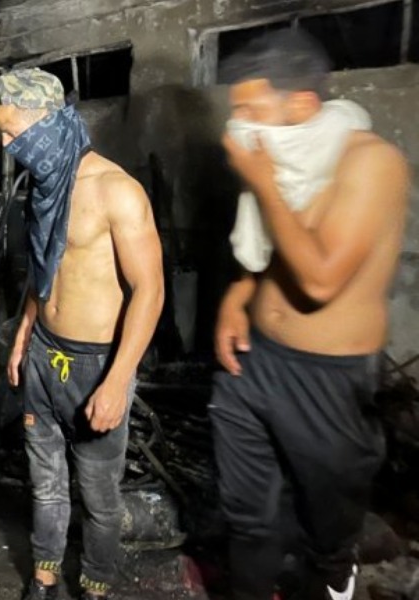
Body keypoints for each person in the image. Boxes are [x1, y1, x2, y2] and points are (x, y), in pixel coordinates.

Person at [211, 29, 410, 600]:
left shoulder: (370, 162)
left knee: (326, 526)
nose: (237, 126)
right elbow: (269, 243)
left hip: (328, 376)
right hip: (254, 359)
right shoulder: (292, 155)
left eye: (251, 110)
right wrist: (238, 294)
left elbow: (320, 279)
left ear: (300, 104)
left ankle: (331, 578)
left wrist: (262, 181)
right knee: (248, 516)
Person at [0, 69, 164, 600]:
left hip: (96, 364)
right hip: (45, 354)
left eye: (12, 131)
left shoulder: (117, 191)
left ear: (46, 124)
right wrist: (24, 333)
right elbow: (46, 270)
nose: (6, 145)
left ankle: (94, 585)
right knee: (44, 484)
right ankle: (43, 580)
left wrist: (117, 381)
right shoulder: (45, 187)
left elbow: (150, 291)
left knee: (98, 493)